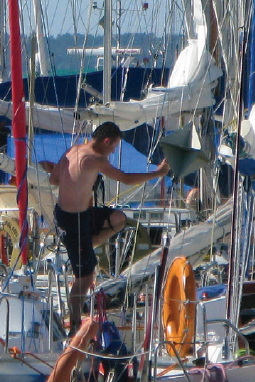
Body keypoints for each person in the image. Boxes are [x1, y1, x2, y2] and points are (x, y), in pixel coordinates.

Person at [40, 122, 170, 331]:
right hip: (71, 221)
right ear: (106, 141)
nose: (114, 151)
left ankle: (87, 248)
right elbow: (126, 179)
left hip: (80, 215)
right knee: (85, 277)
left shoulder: (73, 150)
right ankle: (74, 325)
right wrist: (158, 173)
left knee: (118, 218)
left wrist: (62, 172)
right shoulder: (94, 160)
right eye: (114, 146)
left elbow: (55, 180)